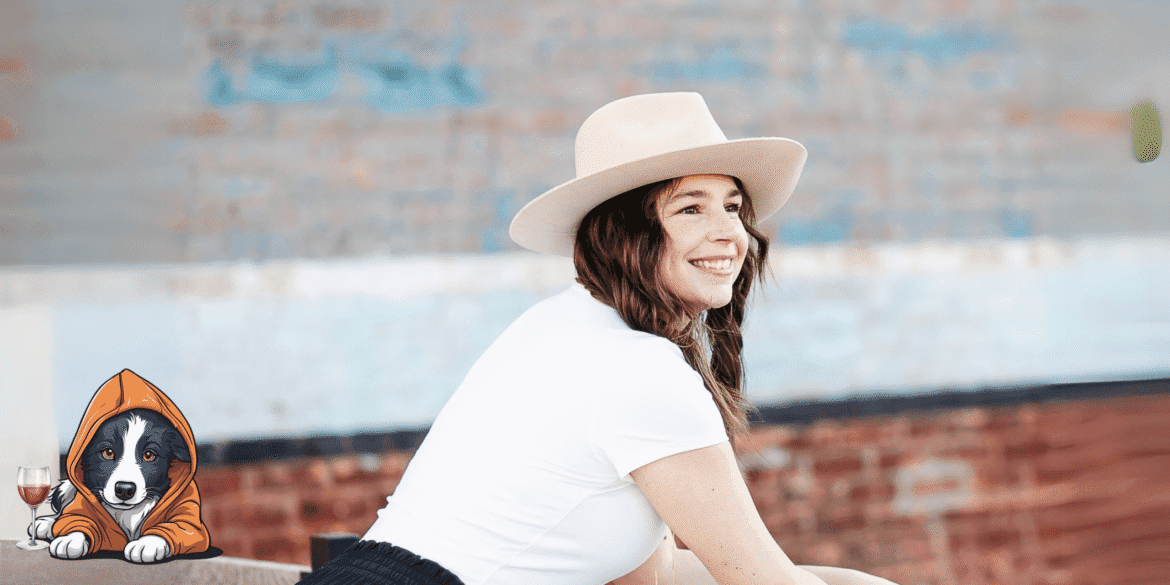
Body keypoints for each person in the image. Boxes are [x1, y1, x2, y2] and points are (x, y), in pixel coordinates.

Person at [298, 93, 897, 585]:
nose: (730, 234)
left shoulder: (556, 325)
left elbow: (649, 574)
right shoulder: (644, 373)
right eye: (690, 210)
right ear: (624, 232)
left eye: (733, 207)